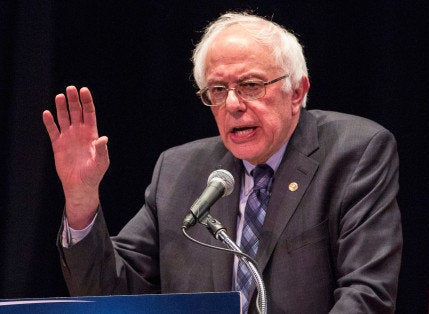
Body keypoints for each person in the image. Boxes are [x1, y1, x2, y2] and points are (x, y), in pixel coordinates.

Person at [42, 12, 402, 313]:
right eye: (217, 90)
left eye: (250, 85)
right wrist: (80, 196)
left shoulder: (355, 153)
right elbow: (109, 296)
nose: (232, 104)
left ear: (297, 92)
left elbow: (366, 295)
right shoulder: (179, 171)